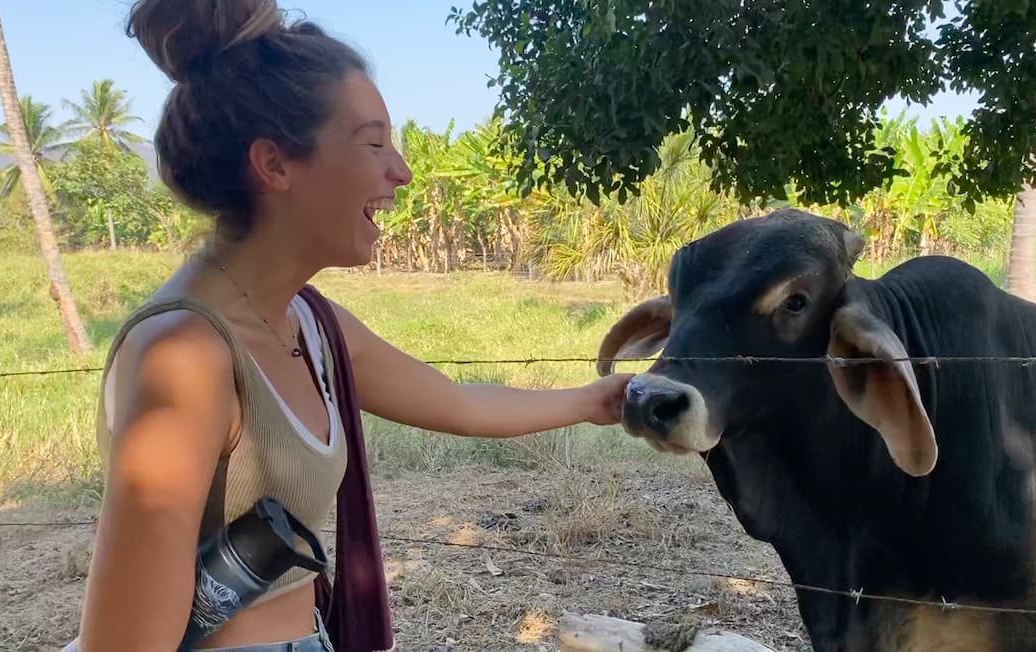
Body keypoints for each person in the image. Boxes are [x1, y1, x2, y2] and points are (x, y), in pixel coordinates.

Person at [68, 1, 635, 650]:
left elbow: (458, 402)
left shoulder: (310, 323)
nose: (402, 171)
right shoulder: (185, 358)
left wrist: (601, 401)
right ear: (275, 165)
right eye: (373, 143)